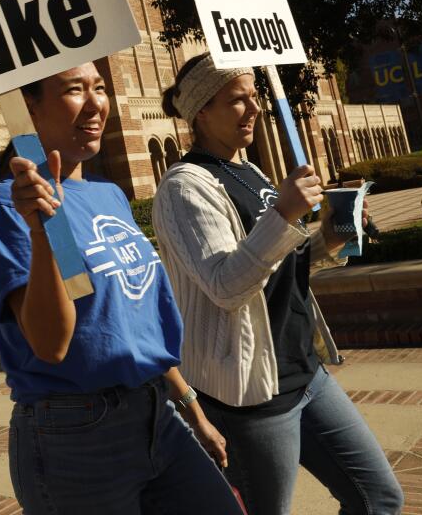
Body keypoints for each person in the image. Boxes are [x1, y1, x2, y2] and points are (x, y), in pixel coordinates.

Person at [0, 63, 241, 515]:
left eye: (99, 88)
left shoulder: (109, 194)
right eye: (75, 90)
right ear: (30, 109)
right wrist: (41, 232)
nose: (97, 102)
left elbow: (133, 325)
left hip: (157, 415)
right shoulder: (7, 205)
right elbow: (50, 343)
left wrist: (193, 412)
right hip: (77, 437)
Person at [152, 53, 403, 515]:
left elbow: (284, 265)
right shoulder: (184, 187)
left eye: (254, 97)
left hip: (305, 368)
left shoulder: (249, 171)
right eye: (236, 100)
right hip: (252, 392)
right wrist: (284, 213)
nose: (253, 109)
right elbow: (225, 286)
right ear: (201, 111)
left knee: (379, 497)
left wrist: (331, 236)